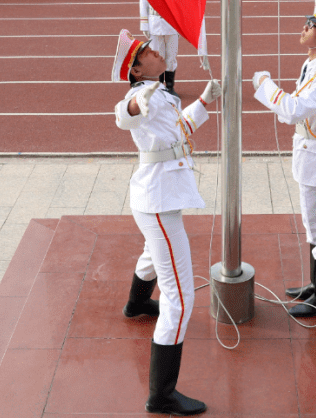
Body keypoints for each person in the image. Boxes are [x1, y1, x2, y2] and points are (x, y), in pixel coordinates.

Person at [112, 29, 221, 417]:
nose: (158, 51)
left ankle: (135, 304)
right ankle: (161, 395)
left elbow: (178, 136)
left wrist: (205, 102)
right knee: (180, 296)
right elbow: (124, 116)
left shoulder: (161, 93)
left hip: (157, 196)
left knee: (151, 253)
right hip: (158, 198)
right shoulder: (140, 95)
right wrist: (137, 102)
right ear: (138, 68)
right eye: (148, 51)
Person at [251, 0, 316, 318]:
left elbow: (294, 109)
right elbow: (294, 108)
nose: (305, 27)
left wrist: (266, 86)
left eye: (313, 25)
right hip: (310, 155)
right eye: (308, 21)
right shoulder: (312, 64)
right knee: (313, 225)